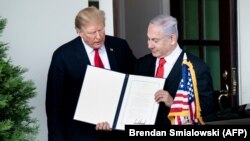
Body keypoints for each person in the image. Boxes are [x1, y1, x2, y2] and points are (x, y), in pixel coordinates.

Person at [46, 6, 136, 141]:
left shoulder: (119, 46)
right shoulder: (63, 56)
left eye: (101, 30)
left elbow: (134, 80)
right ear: (79, 32)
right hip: (81, 134)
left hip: (118, 131)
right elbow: (54, 105)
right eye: (91, 32)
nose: (98, 37)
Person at [134, 14, 215, 125]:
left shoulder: (197, 67)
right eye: (148, 39)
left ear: (172, 39)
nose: (149, 45)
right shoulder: (142, 64)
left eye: (155, 40)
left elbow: (208, 107)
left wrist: (173, 103)